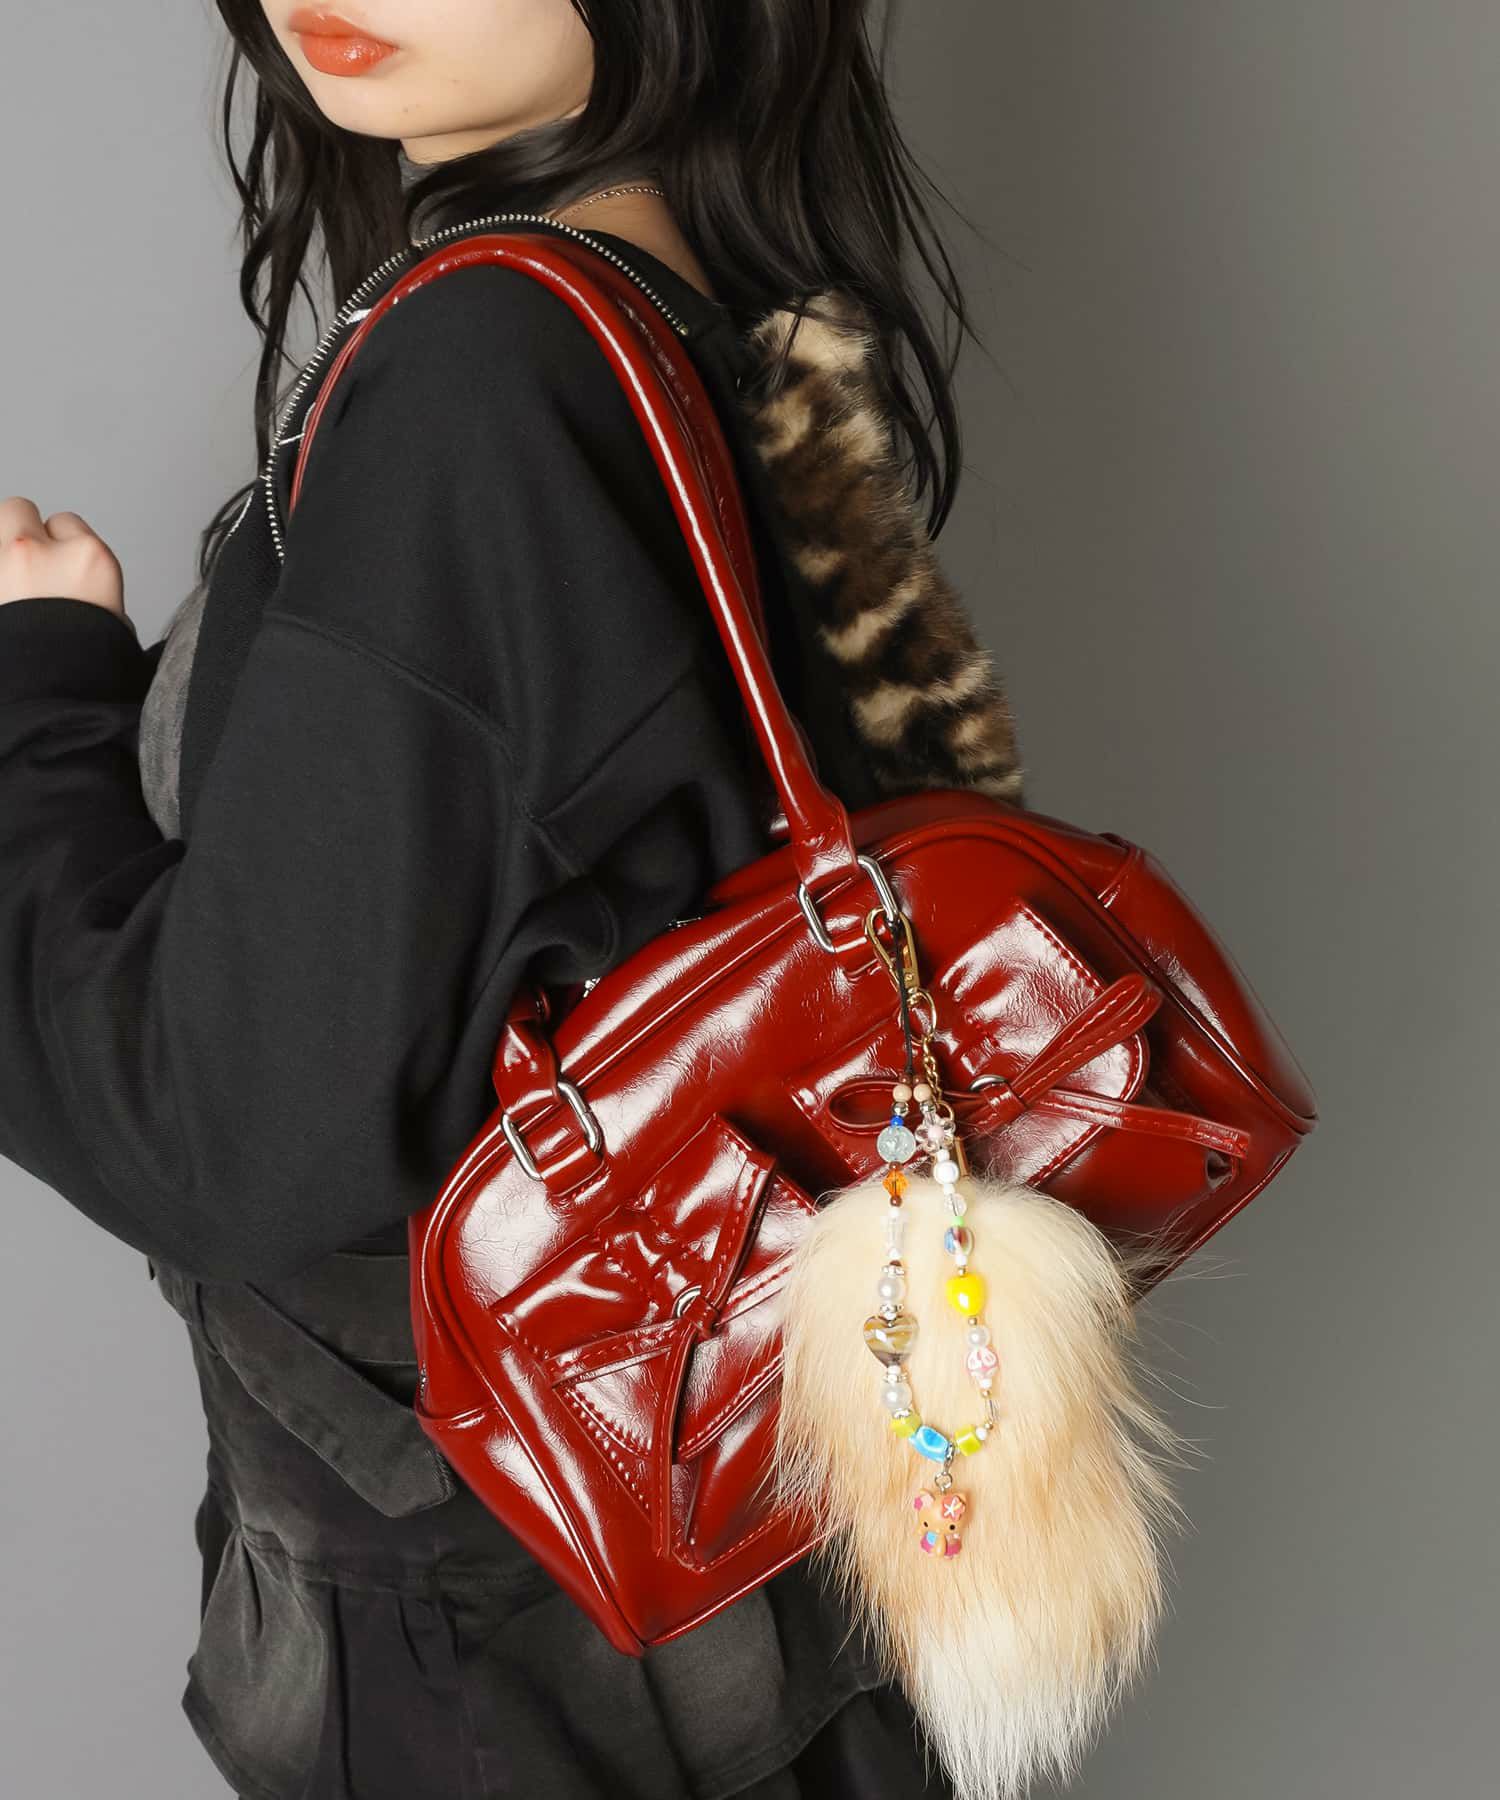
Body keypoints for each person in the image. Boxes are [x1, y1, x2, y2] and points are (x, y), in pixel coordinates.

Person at [0, 4, 1024, 1796]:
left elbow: (222, 1129)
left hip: (519, 1688)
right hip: (753, 1617)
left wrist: (35, 707)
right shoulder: (699, 323)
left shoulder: (487, 376)